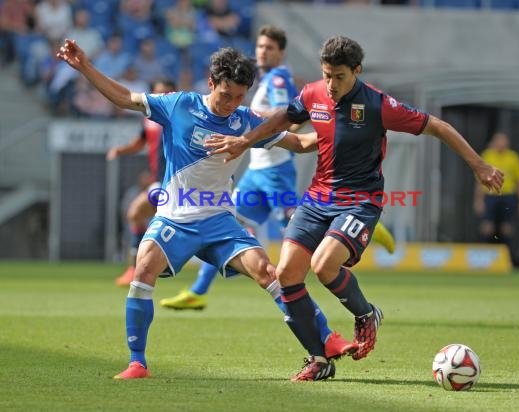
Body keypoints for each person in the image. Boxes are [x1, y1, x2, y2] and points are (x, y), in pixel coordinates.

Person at [204, 35, 505, 381]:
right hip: (317, 198)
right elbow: (281, 119)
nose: (331, 85)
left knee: (323, 265)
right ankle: (318, 360)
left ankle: (365, 314)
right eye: (327, 75)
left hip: (361, 201)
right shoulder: (313, 94)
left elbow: (437, 126)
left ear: (357, 71)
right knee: (286, 275)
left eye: (340, 77)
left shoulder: (379, 105)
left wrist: (479, 165)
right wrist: (244, 141)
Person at [57, 39, 358, 380]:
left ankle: (326, 337)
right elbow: (125, 98)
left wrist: (343, 126)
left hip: (219, 222)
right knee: (143, 271)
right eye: (225, 95)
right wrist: (84, 67)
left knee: (269, 274)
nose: (231, 104)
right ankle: (137, 363)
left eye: (239, 97)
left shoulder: (246, 121)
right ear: (211, 82)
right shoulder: (178, 105)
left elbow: (301, 143)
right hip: (175, 217)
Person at [160, 25, 395, 312]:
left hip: (276, 169)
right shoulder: (264, 80)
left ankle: (364, 227)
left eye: (269, 48)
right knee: (230, 227)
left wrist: (263, 127)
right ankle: (198, 290)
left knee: (298, 232)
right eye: (260, 46)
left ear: (281, 53)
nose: (263, 52)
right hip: (256, 171)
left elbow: (288, 115)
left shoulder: (279, 79)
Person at [106, 78, 177, 286]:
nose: (161, 98)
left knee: (139, 215)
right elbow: (141, 142)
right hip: (159, 181)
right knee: (136, 215)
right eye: (157, 94)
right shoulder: (149, 118)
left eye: (166, 93)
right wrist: (122, 150)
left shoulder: (178, 116)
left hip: (175, 181)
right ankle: (137, 268)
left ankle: (139, 268)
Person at [474, 131, 519, 265]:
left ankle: (508, 260)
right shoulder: (487, 155)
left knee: (507, 228)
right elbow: (478, 181)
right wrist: (478, 200)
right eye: (498, 140)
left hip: (508, 196)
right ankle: (483, 261)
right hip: (490, 196)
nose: (501, 143)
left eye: (503, 140)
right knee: (487, 227)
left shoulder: (513, 158)